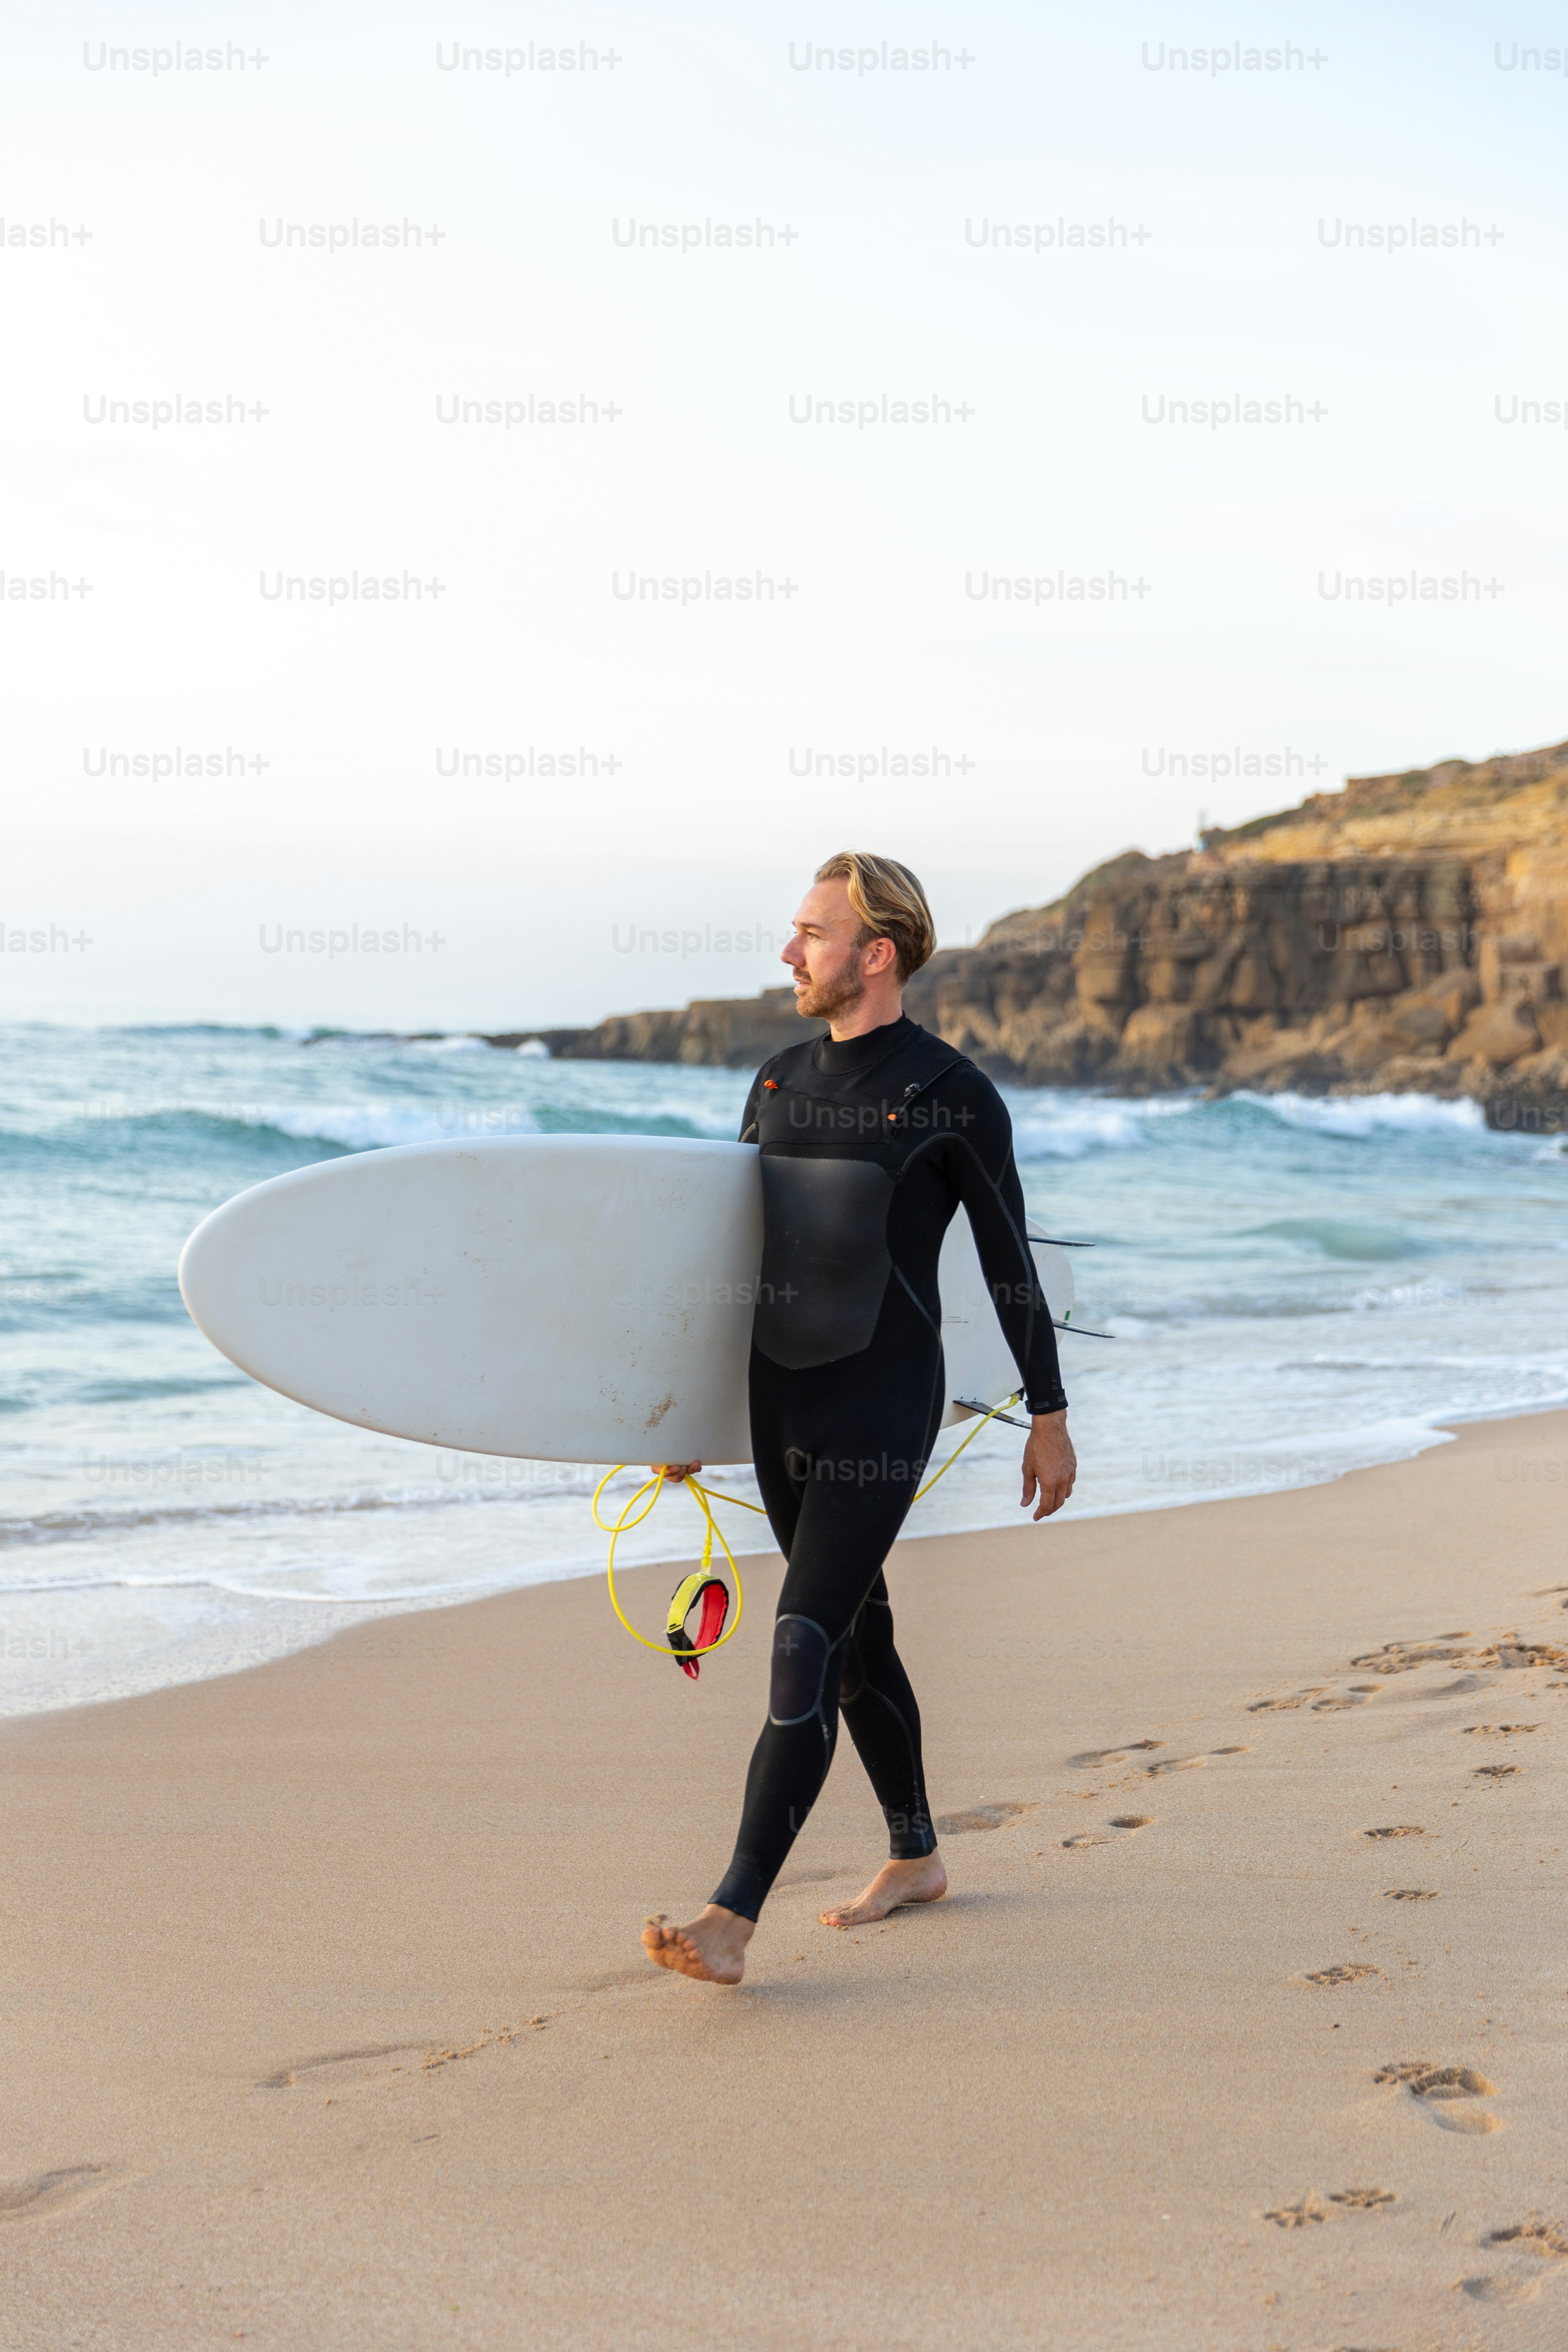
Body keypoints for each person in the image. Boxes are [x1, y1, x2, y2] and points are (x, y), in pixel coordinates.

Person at [643, 852, 1076, 1985]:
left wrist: (1050, 1415)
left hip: (884, 1402)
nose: (789, 953)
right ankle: (919, 1856)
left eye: (810, 934)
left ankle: (732, 1917)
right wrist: (688, 1407)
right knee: (854, 1644)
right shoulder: (779, 1080)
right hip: (781, 1397)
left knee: (802, 1642)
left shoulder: (951, 1096)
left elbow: (1009, 1261)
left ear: (874, 955)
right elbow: (734, 1257)